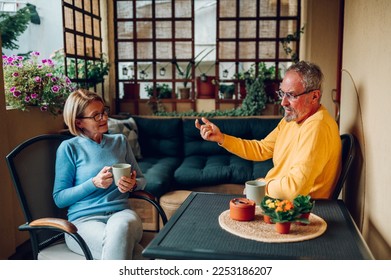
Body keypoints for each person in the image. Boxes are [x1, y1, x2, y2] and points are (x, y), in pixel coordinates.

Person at [195, 61, 341, 201]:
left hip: (301, 212)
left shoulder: (317, 127)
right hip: (280, 202)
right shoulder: (292, 120)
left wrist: (263, 186)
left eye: (291, 95)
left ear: (314, 96)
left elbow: (294, 189)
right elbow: (261, 149)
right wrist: (222, 138)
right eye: (282, 93)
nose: (283, 102)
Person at [53, 89, 146, 260]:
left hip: (122, 213)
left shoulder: (120, 141)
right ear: (79, 122)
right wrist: (93, 183)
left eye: (104, 112)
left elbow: (141, 179)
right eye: (96, 115)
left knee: (120, 230)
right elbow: (60, 198)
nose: (104, 118)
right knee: (135, 253)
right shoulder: (69, 148)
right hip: (82, 222)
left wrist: (132, 184)